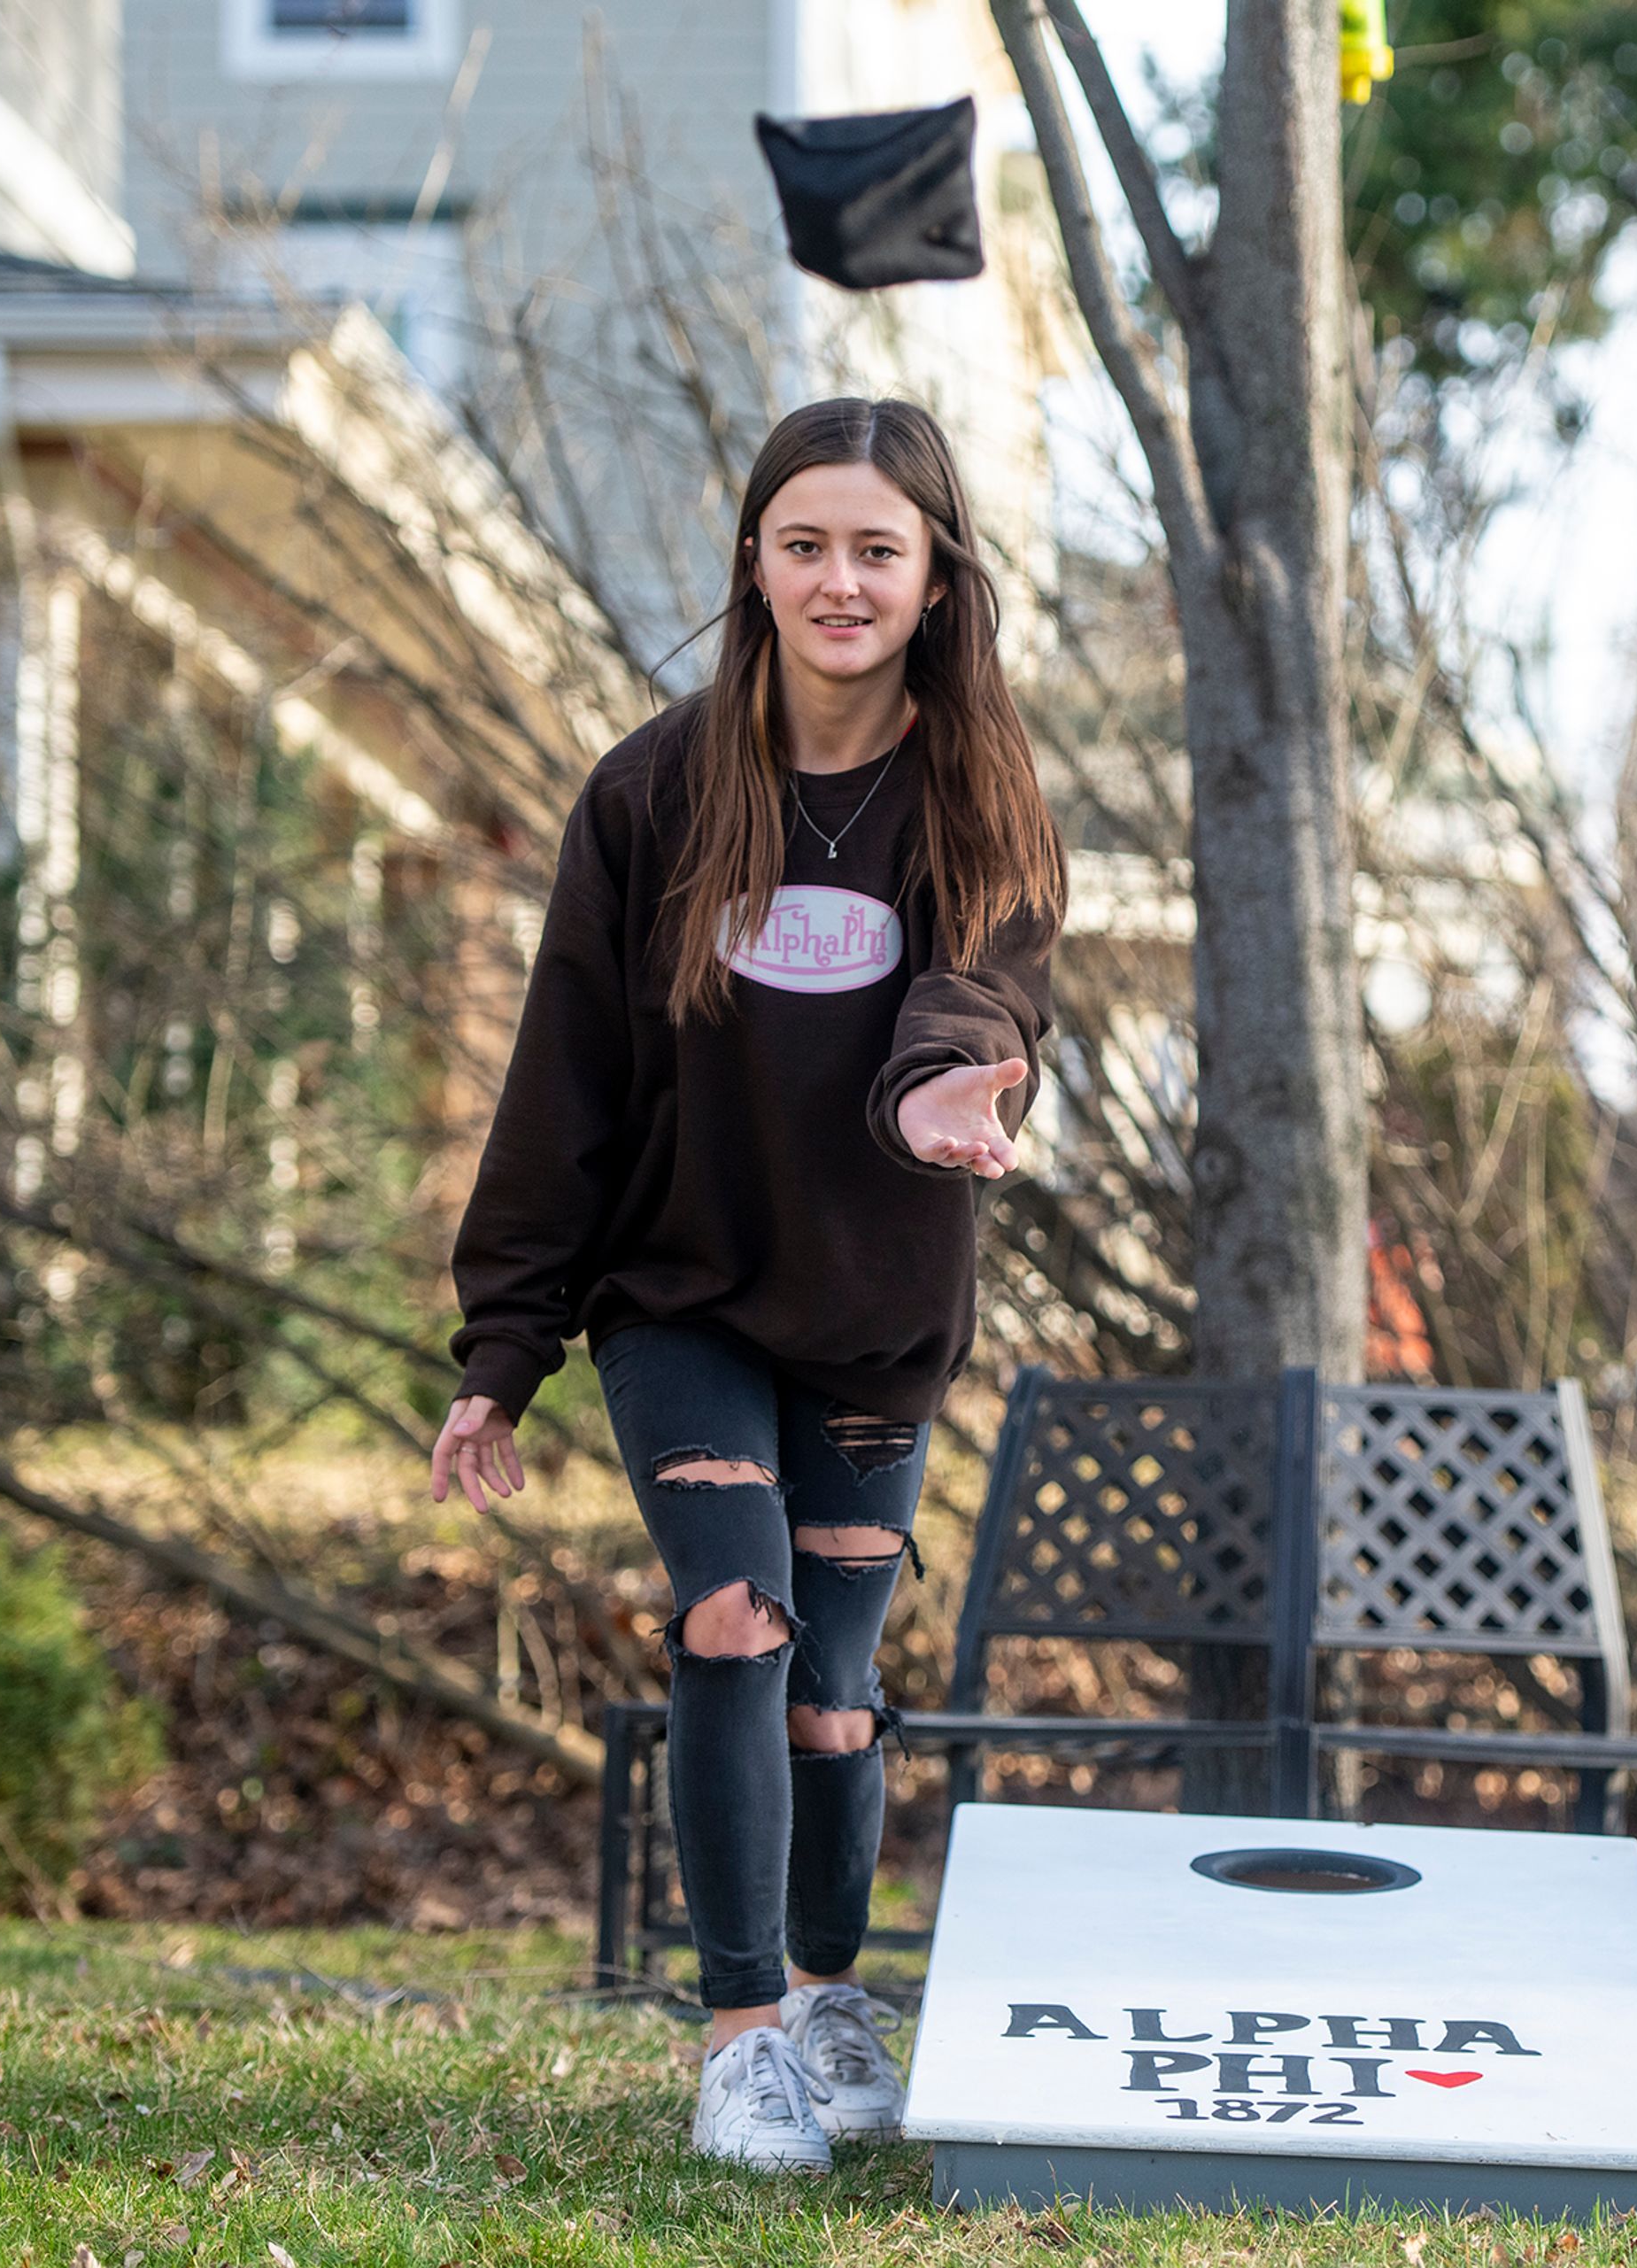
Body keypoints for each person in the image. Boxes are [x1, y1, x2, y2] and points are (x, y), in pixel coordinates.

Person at [427, 398, 1062, 2171]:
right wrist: (505, 1347)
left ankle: (832, 1987)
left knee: (838, 1684)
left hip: (876, 1307)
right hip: (680, 1289)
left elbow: (996, 986)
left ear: (936, 577)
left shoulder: (981, 786)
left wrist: (949, 1075)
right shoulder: (652, 789)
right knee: (733, 1615)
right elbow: (565, 1080)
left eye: (880, 548)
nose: (840, 580)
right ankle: (739, 2035)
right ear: (755, 565)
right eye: (807, 544)